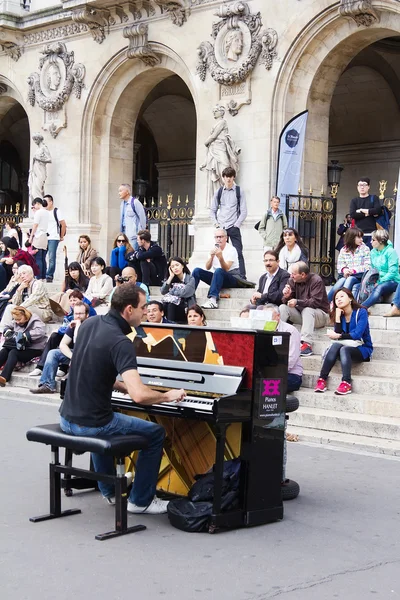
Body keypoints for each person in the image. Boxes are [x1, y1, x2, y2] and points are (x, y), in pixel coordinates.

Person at [59, 284, 186, 513]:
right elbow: (139, 395)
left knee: (103, 417)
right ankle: (140, 501)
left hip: (67, 417)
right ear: (128, 310)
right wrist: (168, 395)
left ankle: (109, 491)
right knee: (156, 434)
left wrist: (124, 387)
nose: (146, 312)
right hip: (91, 425)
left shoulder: (89, 324)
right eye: (143, 307)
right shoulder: (121, 341)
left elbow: (94, 370)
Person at [314, 289, 373, 395]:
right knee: (336, 346)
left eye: (341, 296)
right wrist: (337, 317)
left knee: (344, 349)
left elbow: (357, 334)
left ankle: (346, 382)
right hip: (345, 346)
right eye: (336, 298)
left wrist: (339, 336)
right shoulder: (339, 314)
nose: (339, 300)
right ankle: (322, 379)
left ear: (350, 298)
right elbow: (338, 336)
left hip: (362, 348)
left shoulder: (361, 312)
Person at [30, 290, 96, 377]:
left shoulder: (87, 310)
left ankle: (63, 368)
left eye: (75, 300)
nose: (72, 302)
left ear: (81, 299)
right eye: (71, 300)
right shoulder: (71, 310)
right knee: (54, 337)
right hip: (71, 335)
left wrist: (65, 329)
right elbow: (67, 326)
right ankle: (40, 366)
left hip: (84, 343)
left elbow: (81, 330)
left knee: (67, 338)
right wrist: (62, 330)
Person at [30, 302, 90, 394]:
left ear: (87, 315)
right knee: (53, 353)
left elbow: (78, 343)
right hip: (76, 355)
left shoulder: (90, 325)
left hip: (88, 355)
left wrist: (77, 326)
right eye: (76, 313)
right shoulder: (72, 325)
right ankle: (47, 385)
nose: (78, 316)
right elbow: (63, 344)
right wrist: (72, 356)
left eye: (80, 314)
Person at [279, 261, 330, 357]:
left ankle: (306, 345)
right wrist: (287, 296)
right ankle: (278, 338)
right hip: (303, 315)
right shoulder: (292, 280)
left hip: (320, 315)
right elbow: (286, 302)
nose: (291, 276)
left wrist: (297, 301)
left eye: (294, 274)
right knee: (283, 308)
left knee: (308, 310)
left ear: (302, 274)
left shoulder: (316, 280)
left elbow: (315, 302)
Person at [209, 166, 247, 279]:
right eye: (226, 177)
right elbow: (212, 210)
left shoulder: (239, 191)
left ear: (233, 177)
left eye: (230, 177)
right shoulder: (219, 192)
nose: (228, 179)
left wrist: (236, 225)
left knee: (238, 252)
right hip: (221, 227)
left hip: (233, 226)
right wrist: (216, 224)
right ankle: (221, 275)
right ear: (223, 178)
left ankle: (242, 276)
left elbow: (244, 211)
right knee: (220, 252)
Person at [200, 105, 241, 209]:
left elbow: (214, 135)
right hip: (214, 149)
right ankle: (218, 197)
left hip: (221, 148)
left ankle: (232, 194)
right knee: (215, 173)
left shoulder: (222, 122)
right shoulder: (217, 123)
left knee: (225, 168)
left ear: (222, 112)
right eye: (213, 111)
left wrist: (206, 142)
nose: (214, 112)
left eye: (216, 111)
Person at [192, 228, 241, 309]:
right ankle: (190, 296)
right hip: (217, 277)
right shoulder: (213, 249)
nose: (219, 239)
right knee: (197, 271)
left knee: (219, 271)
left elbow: (226, 269)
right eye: (217, 237)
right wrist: (211, 257)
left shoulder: (231, 250)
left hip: (231, 277)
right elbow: (207, 267)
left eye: (221, 237)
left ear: (226, 238)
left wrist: (220, 257)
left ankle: (213, 300)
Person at [0, 306, 47, 387]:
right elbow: (7, 326)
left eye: (19, 319)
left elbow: (41, 331)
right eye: (15, 319)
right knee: (5, 350)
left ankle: (4, 377)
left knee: (13, 353)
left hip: (33, 348)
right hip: (21, 346)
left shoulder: (35, 320)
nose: (17, 322)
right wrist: (7, 331)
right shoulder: (16, 321)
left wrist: (26, 335)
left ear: (25, 316)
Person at [261, 304, 303, 393]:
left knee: (267, 385)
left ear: (278, 316)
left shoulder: (290, 330)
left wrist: (273, 372)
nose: (267, 320)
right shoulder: (262, 330)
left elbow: (291, 358)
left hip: (291, 374)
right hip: (269, 372)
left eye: (270, 317)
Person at [0, 264, 53, 331]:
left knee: (26, 309)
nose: (22, 276)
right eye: (20, 275)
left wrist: (18, 309)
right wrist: (19, 290)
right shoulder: (23, 285)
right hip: (26, 309)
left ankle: (16, 332)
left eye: (24, 273)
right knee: (9, 307)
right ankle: (2, 331)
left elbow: (32, 300)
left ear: (31, 273)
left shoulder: (38, 284)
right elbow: (15, 302)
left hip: (43, 311)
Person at [328, 228, 370, 302]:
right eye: (359, 237)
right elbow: (340, 264)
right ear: (352, 238)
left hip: (359, 276)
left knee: (349, 279)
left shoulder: (365, 249)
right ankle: (326, 302)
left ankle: (343, 301)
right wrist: (345, 270)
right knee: (341, 281)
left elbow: (368, 266)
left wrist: (353, 271)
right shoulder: (343, 250)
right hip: (345, 275)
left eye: (361, 237)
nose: (361, 240)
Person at [361, 229, 400, 309]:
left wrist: (380, 281)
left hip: (392, 281)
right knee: (358, 286)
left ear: (381, 241)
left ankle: (362, 307)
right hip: (377, 280)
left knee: (380, 287)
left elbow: (392, 272)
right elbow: (373, 269)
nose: (371, 242)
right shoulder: (372, 252)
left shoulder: (391, 252)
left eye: (373, 240)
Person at [160, 257, 196, 323]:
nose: (175, 268)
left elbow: (185, 293)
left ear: (182, 266)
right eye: (172, 267)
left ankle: (170, 326)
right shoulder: (170, 279)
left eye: (177, 265)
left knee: (171, 305)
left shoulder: (190, 278)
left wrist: (172, 291)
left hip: (185, 306)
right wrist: (170, 277)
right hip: (171, 307)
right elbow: (163, 291)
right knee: (165, 305)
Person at [349, 178, 382, 249]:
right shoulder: (354, 200)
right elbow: (353, 214)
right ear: (357, 187)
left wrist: (361, 210)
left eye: (364, 185)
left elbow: (378, 210)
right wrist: (368, 213)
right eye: (360, 185)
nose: (362, 187)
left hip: (372, 233)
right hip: (358, 234)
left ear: (368, 186)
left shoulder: (374, 198)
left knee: (371, 256)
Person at [44, 194, 67, 283]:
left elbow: (63, 224)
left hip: (53, 237)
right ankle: (42, 274)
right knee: (42, 257)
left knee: (51, 257)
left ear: (51, 202)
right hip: (44, 237)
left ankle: (49, 275)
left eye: (46, 201)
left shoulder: (56, 211)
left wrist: (61, 236)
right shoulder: (43, 212)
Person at [119, 183, 147, 251]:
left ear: (127, 192)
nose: (119, 193)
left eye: (120, 191)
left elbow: (142, 218)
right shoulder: (122, 204)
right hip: (124, 236)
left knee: (132, 256)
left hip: (133, 237)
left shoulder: (135, 202)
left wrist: (140, 235)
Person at [29, 197, 49, 280]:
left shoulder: (38, 213)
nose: (34, 207)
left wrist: (31, 237)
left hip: (38, 235)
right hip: (45, 236)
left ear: (37, 203)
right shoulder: (47, 212)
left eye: (34, 205)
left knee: (38, 258)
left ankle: (39, 276)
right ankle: (43, 276)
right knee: (43, 258)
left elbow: (35, 225)